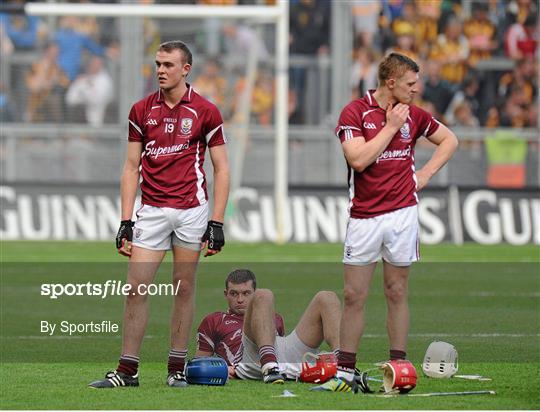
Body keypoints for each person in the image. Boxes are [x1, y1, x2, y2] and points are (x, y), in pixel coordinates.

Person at [89, 40, 230, 389]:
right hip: (150, 212)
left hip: (191, 213)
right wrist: (126, 220)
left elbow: (222, 168)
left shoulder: (206, 111)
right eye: (157, 64)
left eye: (168, 65)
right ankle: (127, 370)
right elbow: (130, 166)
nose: (161, 70)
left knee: (183, 288)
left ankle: (176, 368)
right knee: (135, 287)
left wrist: (217, 222)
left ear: (186, 69)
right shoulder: (140, 110)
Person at [327, 52, 458, 392]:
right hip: (364, 217)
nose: (417, 89)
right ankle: (345, 372)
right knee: (354, 295)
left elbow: (450, 140)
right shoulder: (355, 113)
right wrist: (390, 128)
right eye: (411, 83)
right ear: (391, 83)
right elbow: (358, 159)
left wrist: (424, 174)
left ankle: (399, 366)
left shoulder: (415, 114)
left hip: (402, 215)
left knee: (396, 291)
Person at [195, 269, 341, 384]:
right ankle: (269, 367)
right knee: (264, 294)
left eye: (246, 294)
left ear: (252, 294)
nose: (240, 300)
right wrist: (223, 369)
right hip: (248, 359)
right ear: (226, 294)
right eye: (234, 294)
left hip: (280, 355)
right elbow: (199, 364)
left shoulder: (275, 317)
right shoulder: (214, 320)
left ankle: (344, 366)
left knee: (327, 297)